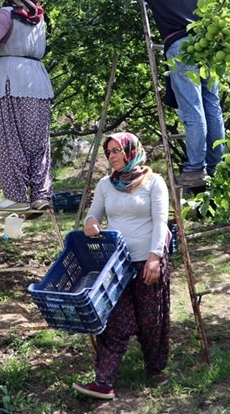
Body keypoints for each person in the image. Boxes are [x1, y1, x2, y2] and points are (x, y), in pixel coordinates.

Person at [77, 0, 226, 188]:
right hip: (208, 48)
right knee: (213, 107)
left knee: (193, 109)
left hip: (182, 47)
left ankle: (196, 168)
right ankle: (217, 164)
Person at [74, 132, 170, 400]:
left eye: (116, 150)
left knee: (152, 319)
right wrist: (90, 222)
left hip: (147, 261)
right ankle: (104, 381)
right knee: (115, 320)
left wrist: (155, 257)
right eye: (109, 152)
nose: (112, 156)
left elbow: (161, 222)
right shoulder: (106, 184)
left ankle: (154, 368)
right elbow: (94, 213)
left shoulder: (154, 182)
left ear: (131, 151)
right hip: (117, 265)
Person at [0, 0, 54, 212]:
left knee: (11, 139)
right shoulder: (39, 17)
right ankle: (41, 194)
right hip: (38, 83)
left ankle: (16, 195)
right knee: (38, 141)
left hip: (10, 79)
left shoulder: (7, 14)